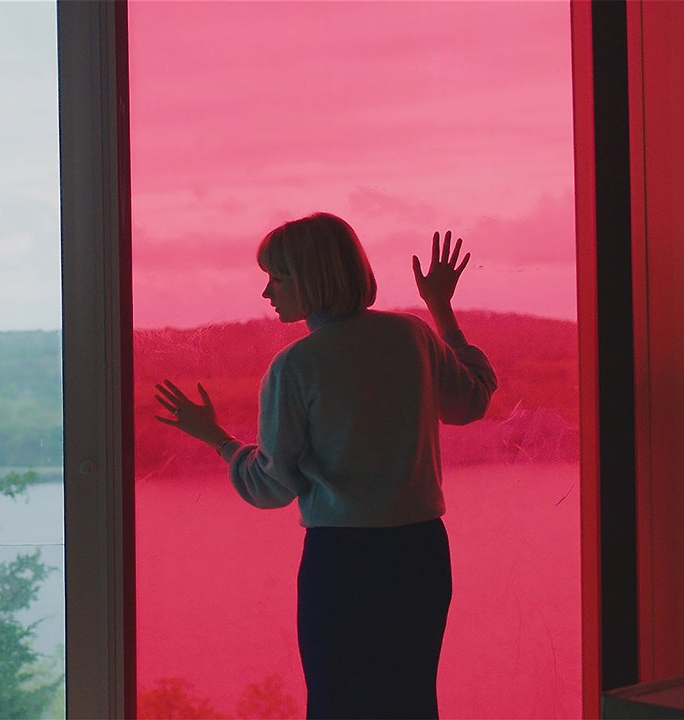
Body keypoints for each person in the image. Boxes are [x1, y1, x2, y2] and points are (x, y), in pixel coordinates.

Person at [153, 213, 497, 719]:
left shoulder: (296, 366)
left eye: (278, 278)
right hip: (420, 553)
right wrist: (441, 309)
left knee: (339, 704)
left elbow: (272, 486)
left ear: (312, 279)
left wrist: (217, 439)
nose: (267, 292)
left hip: (343, 562)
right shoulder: (412, 336)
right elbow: (471, 401)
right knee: (411, 701)